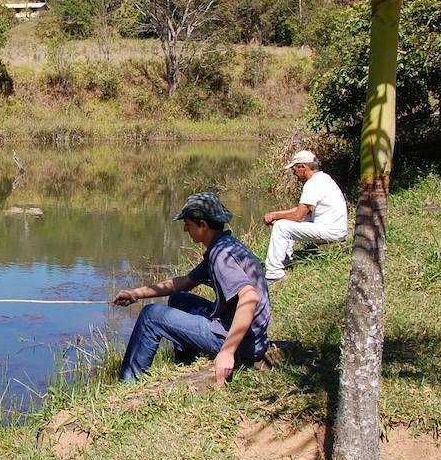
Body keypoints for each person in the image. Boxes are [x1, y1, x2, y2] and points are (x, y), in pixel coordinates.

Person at [114, 192, 271, 386]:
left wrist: (227, 352)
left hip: (243, 342)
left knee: (150, 316)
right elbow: (185, 282)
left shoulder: (221, 256)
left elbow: (250, 297)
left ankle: (128, 383)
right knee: (179, 299)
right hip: (247, 333)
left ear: (202, 225)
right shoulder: (223, 245)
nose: (185, 229)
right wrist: (136, 294)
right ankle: (185, 364)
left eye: (187, 224)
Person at [262, 150, 348, 282]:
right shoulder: (322, 178)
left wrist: (275, 216)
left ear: (303, 167)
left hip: (331, 231)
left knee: (281, 227)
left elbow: (298, 216)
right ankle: (285, 260)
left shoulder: (313, 184)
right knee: (284, 223)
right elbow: (302, 210)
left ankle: (273, 273)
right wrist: (277, 215)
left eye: (295, 169)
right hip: (335, 228)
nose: (294, 173)